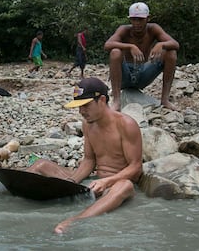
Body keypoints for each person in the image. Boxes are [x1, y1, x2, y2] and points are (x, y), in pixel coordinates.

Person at [27, 77, 142, 234]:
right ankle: (12, 196)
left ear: (101, 100)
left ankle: (75, 221)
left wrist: (107, 181)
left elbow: (136, 167)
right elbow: (89, 160)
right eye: (79, 107)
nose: (81, 112)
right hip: (94, 183)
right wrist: (72, 183)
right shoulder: (88, 125)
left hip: (116, 186)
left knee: (125, 186)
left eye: (85, 106)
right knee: (41, 165)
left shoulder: (126, 124)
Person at [104, 2, 180, 111]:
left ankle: (165, 99)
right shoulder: (124, 29)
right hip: (125, 76)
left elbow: (175, 44)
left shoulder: (153, 29)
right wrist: (130, 46)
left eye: (140, 19)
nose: (137, 23)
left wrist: (161, 44)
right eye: (134, 19)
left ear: (147, 19)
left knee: (171, 53)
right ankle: (117, 101)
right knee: (115, 52)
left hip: (143, 73)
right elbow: (107, 45)